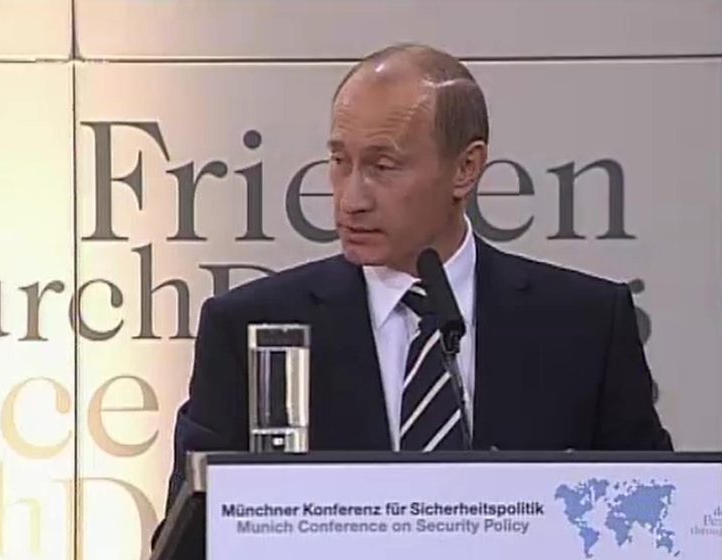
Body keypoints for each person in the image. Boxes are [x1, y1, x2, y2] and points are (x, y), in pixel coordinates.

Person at [163, 41, 672, 518]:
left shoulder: (586, 326)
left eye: (383, 166)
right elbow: (188, 537)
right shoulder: (248, 326)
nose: (350, 198)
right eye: (339, 161)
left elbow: (655, 521)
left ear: (466, 169)